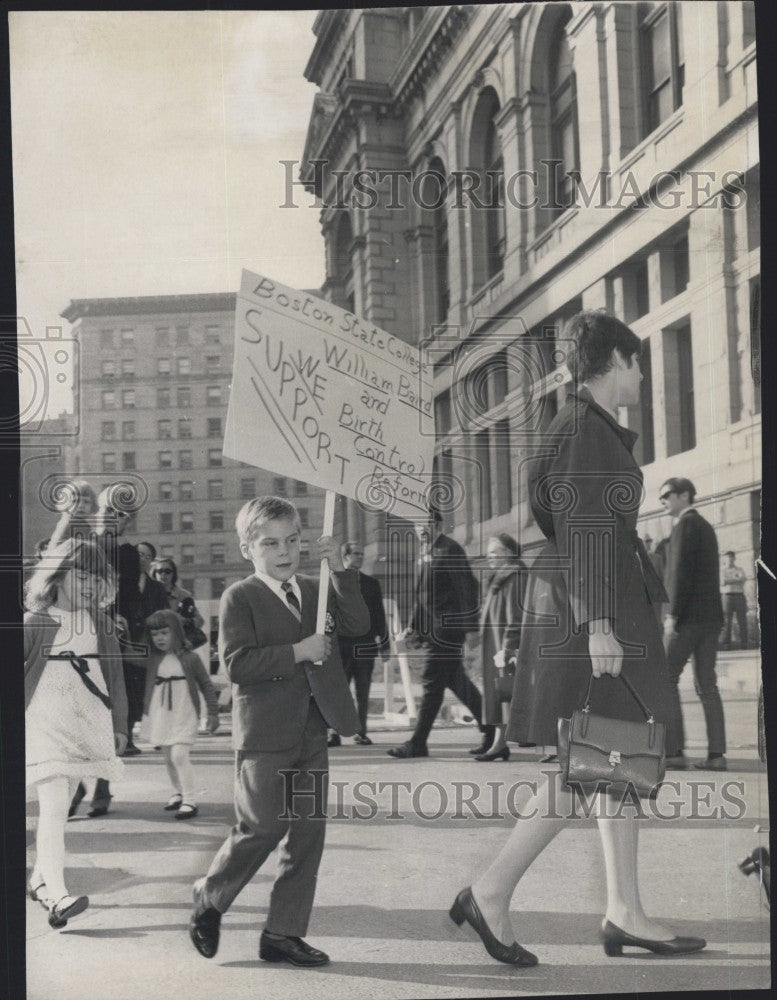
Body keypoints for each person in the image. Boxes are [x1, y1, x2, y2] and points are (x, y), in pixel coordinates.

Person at [454, 310, 704, 966]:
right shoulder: (586, 431)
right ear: (616, 361)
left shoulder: (572, 427)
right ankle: (492, 890)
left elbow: (558, 517)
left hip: (587, 604)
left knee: (613, 761)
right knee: (592, 763)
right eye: (638, 362)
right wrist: (598, 624)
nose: (643, 374)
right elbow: (587, 525)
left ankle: (623, 910)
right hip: (596, 614)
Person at [188, 496, 368, 966]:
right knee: (262, 827)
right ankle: (211, 894)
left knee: (308, 834)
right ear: (249, 548)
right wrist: (299, 651)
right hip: (265, 734)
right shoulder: (240, 596)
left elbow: (358, 623)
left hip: (312, 729)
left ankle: (283, 933)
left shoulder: (317, 586)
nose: (284, 551)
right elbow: (236, 664)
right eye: (271, 543)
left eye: (293, 541)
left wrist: (341, 571)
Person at [25, 538, 127, 928]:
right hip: (42, 724)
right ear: (58, 573)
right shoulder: (36, 622)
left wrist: (120, 726)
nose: (88, 584)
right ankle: (58, 896)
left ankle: (39, 881)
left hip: (83, 723)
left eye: (96, 577)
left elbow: (115, 677)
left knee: (61, 809)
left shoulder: (100, 624)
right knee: (53, 807)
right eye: (80, 574)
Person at [387, 508, 489, 758]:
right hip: (432, 630)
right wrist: (413, 626)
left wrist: (471, 629)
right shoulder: (424, 553)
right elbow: (422, 597)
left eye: (427, 523)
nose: (422, 529)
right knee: (457, 683)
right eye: (417, 524)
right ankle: (494, 731)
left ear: (439, 525)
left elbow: (467, 590)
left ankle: (418, 742)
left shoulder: (450, 550)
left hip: (448, 630)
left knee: (432, 684)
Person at [660, 477, 727, 772]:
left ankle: (674, 751)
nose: (662, 501)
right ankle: (717, 755)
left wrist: (671, 615)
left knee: (665, 678)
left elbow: (679, 574)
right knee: (707, 686)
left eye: (666, 495)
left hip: (687, 620)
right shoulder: (706, 526)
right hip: (710, 619)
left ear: (684, 496)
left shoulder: (684, 526)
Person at [140, 610, 220, 819]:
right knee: (168, 757)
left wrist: (212, 712)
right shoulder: (152, 657)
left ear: (176, 632)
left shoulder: (190, 658)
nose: (159, 638)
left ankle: (190, 800)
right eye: (155, 634)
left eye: (165, 633)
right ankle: (178, 792)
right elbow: (126, 653)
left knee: (179, 755)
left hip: (185, 711)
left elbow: (206, 685)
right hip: (161, 712)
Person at [328, 541, 390, 747]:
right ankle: (334, 734)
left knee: (363, 691)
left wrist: (385, 644)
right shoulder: (333, 582)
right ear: (345, 557)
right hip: (341, 646)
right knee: (338, 691)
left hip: (365, 647)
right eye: (356, 554)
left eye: (362, 554)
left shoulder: (371, 584)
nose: (361, 557)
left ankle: (361, 732)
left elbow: (379, 616)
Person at [475, 533, 527, 762]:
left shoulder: (515, 577)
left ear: (508, 553)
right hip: (494, 643)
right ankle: (498, 742)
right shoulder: (499, 577)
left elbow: (516, 616)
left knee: (505, 693)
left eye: (494, 552)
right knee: (500, 693)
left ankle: (500, 743)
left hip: (504, 644)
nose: (489, 556)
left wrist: (507, 647)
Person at [150, 556, 206, 646]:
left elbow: (199, 621)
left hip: (178, 645)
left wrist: (185, 621)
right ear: (154, 574)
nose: (163, 574)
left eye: (167, 571)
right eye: (160, 571)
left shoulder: (184, 596)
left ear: (173, 574)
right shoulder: (148, 595)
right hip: (154, 645)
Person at [721, 550, 748, 649]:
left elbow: (743, 579)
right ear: (724, 559)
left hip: (739, 596)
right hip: (727, 596)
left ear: (734, 559)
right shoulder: (722, 570)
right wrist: (736, 579)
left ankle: (744, 643)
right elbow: (723, 582)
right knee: (727, 621)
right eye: (728, 558)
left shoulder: (739, 569)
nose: (730, 560)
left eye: (731, 558)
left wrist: (730, 580)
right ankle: (726, 644)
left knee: (742, 620)